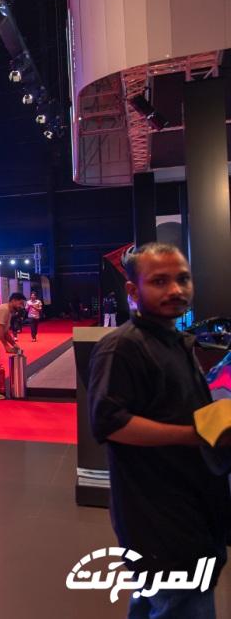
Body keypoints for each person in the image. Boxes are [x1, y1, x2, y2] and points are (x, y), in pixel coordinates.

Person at [88, 243, 230, 618]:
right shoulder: (122, 347)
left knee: (155, 603)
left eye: (183, 279)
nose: (175, 290)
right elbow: (109, 422)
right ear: (133, 290)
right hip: (158, 514)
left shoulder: (175, 342)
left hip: (191, 502)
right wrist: (193, 434)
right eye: (160, 281)